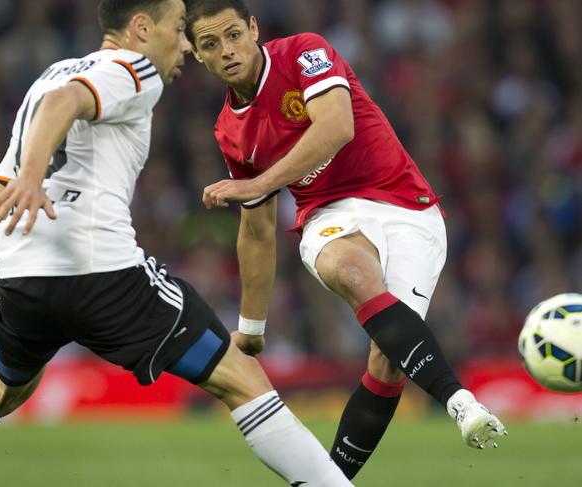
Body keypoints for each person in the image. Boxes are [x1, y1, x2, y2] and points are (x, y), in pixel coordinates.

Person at [0, 1, 354, 485]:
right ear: (140, 27)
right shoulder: (133, 68)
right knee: (241, 378)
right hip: (99, 273)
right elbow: (65, 103)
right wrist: (31, 175)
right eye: (179, 30)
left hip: (22, 269)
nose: (186, 45)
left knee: (6, 385)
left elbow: (45, 120)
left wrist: (27, 182)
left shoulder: (50, 72)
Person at [185, 0, 508, 480]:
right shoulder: (231, 132)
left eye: (234, 34)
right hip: (329, 214)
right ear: (196, 55)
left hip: (410, 210)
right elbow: (255, 228)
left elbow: (337, 126)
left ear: (253, 28)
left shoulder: (303, 53)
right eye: (211, 44)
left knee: (388, 361)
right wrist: (251, 327)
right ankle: (460, 402)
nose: (227, 50)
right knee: (351, 271)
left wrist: (256, 184)